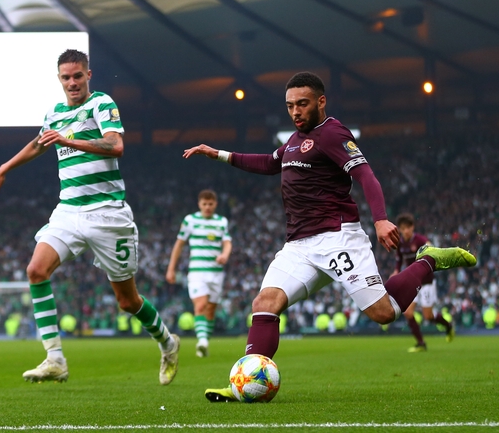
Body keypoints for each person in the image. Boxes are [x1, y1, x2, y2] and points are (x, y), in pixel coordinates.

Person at [183, 72, 476, 402]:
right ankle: (244, 384)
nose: (295, 112)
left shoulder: (333, 133)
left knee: (384, 314)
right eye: (290, 106)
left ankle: (428, 261)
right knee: (264, 304)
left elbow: (366, 175)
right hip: (298, 246)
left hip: (338, 238)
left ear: (321, 102)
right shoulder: (294, 141)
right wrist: (218, 154)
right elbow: (269, 163)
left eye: (302, 104)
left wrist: (380, 220)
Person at [0, 49, 180, 385]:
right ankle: (55, 359)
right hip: (69, 210)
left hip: (107, 213)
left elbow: (115, 145)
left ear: (88, 75)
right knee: (36, 270)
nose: (72, 82)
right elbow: (39, 143)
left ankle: (167, 342)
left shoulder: (101, 104)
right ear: (59, 79)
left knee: (127, 300)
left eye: (78, 76)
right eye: (66, 77)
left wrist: (70, 139)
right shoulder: (55, 113)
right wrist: (6, 167)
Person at [166, 189, 232, 358]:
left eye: (210, 204)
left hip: (216, 273)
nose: (207, 207)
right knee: (201, 305)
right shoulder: (190, 220)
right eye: (204, 204)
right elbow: (179, 244)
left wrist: (224, 255)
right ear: (199, 204)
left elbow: (227, 243)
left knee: (210, 310)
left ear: (215, 204)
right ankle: (202, 342)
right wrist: (171, 268)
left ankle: (205, 342)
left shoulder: (221, 221)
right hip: (197, 272)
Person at [391, 213, 454, 353]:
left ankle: (448, 326)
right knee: (407, 313)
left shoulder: (419, 240)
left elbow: (429, 246)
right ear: (400, 230)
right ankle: (421, 343)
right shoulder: (400, 244)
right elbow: (399, 260)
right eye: (403, 228)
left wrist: (430, 247)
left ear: (412, 227)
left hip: (426, 282)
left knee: (428, 316)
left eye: (408, 227)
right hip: (412, 283)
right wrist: (396, 271)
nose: (405, 231)